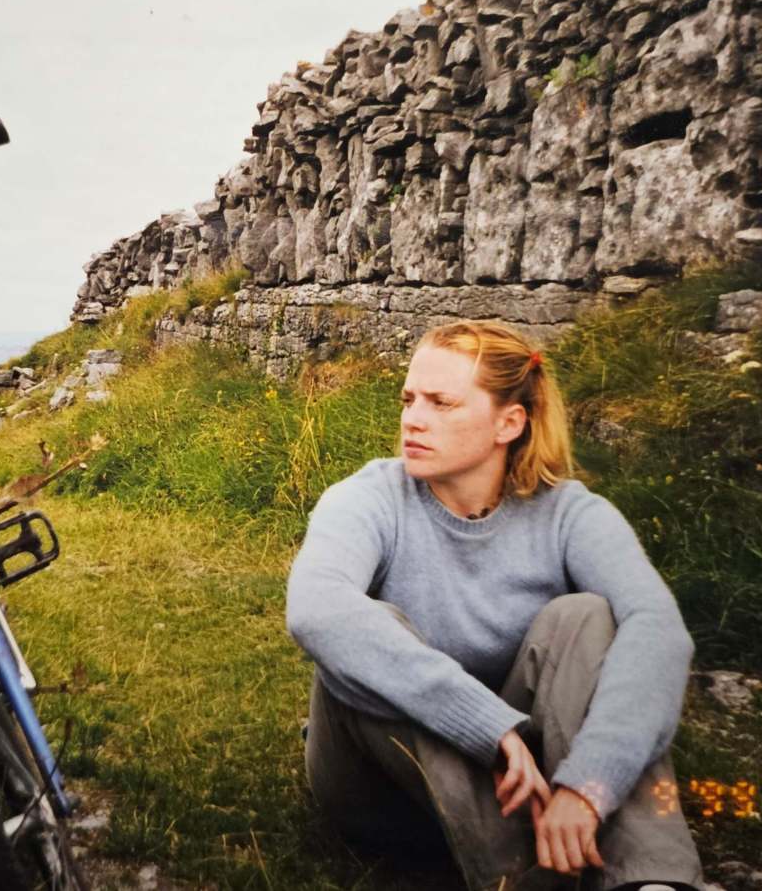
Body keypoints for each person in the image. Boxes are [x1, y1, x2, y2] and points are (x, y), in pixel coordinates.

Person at [286, 320, 707, 891]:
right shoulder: (369, 496)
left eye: (442, 403)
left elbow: (659, 629)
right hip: (383, 787)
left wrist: (588, 784)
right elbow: (317, 607)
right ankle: (530, 876)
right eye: (409, 399)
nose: (412, 418)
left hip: (531, 786)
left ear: (509, 423)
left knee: (586, 618)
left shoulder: (570, 514)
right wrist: (488, 727)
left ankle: (650, 880)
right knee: (373, 630)